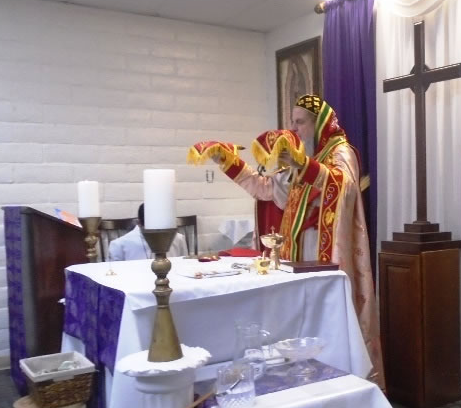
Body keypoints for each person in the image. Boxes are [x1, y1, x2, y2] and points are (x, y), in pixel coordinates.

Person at [217, 95, 385, 388]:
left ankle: (340, 378)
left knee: (327, 317)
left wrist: (303, 165)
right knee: (300, 317)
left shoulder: (341, 151)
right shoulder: (300, 156)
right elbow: (268, 191)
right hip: (296, 251)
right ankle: (303, 373)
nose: (295, 129)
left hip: (326, 250)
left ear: (318, 124)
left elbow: (344, 188)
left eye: (301, 122)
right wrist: (230, 163)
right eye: (292, 122)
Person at [108, 204, 189, 261]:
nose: (156, 233)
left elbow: (184, 265)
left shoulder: (179, 239)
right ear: (139, 223)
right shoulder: (119, 245)